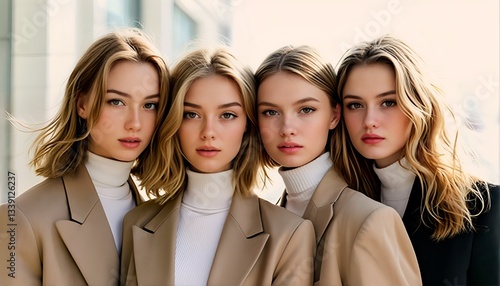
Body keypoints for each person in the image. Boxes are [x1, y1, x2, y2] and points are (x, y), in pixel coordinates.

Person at [120, 47, 315, 286]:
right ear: (173, 120)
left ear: (247, 124)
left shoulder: (289, 234)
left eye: (228, 115)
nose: (208, 133)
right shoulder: (136, 222)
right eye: (191, 114)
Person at [0, 28, 170, 286]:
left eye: (150, 105)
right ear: (82, 104)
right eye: (116, 102)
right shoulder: (22, 220)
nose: (135, 123)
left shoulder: (163, 219)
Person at [335, 34, 500, 285]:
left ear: (419, 104)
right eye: (355, 105)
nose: (369, 120)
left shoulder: (483, 206)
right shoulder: (339, 206)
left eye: (388, 102)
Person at [255, 45, 421, 285]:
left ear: (334, 115)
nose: (287, 128)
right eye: (270, 112)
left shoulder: (369, 220)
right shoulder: (265, 217)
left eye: (306, 109)